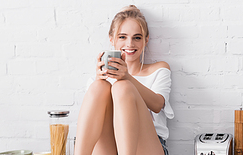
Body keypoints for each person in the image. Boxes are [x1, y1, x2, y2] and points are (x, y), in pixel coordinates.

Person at [75, 5, 174, 155]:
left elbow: (158, 105)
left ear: (146, 40)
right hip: (111, 145)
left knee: (123, 87)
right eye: (122, 37)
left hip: (149, 146)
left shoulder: (159, 69)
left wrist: (127, 77)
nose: (130, 44)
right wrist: (99, 80)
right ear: (111, 39)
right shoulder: (101, 78)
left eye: (137, 37)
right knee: (98, 87)